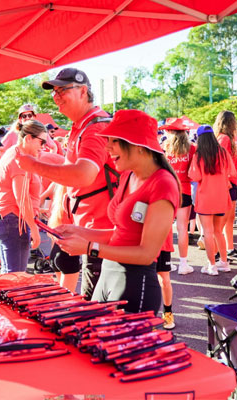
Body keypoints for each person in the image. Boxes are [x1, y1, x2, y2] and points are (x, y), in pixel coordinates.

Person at [57, 110, 179, 317]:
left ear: (138, 145)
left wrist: (89, 248)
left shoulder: (163, 184)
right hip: (108, 275)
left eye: (114, 141)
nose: (107, 147)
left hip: (134, 284)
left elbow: (146, 254)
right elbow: (120, 234)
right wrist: (79, 231)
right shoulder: (128, 175)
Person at [17, 68, 118, 300]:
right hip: (91, 230)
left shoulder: (94, 127)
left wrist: (32, 165)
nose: (56, 96)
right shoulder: (81, 126)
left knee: (98, 312)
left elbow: (82, 175)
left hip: (101, 231)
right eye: (55, 91)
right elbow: (71, 175)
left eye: (63, 90)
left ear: (83, 91)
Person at [0, 120, 45, 273]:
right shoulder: (18, 160)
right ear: (28, 139)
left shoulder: (16, 153)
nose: (43, 146)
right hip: (12, 218)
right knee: (15, 275)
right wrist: (33, 229)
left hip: (8, 217)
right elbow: (21, 198)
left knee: (12, 273)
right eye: (42, 141)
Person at [188, 125, 236, 275]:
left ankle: (211, 265)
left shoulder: (199, 156)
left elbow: (195, 177)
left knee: (208, 232)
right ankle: (224, 262)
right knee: (218, 232)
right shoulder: (223, 153)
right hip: (221, 197)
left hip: (205, 198)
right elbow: (232, 172)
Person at [159, 117, 195, 275]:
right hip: (184, 190)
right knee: (182, 229)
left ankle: (167, 262)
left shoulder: (164, 148)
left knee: (165, 228)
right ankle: (183, 264)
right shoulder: (192, 148)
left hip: (167, 190)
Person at [214, 111, 237, 262]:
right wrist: (226, 180)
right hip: (227, 182)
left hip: (231, 180)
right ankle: (218, 250)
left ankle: (229, 248)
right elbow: (220, 161)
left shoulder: (226, 138)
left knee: (230, 218)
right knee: (224, 218)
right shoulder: (224, 138)